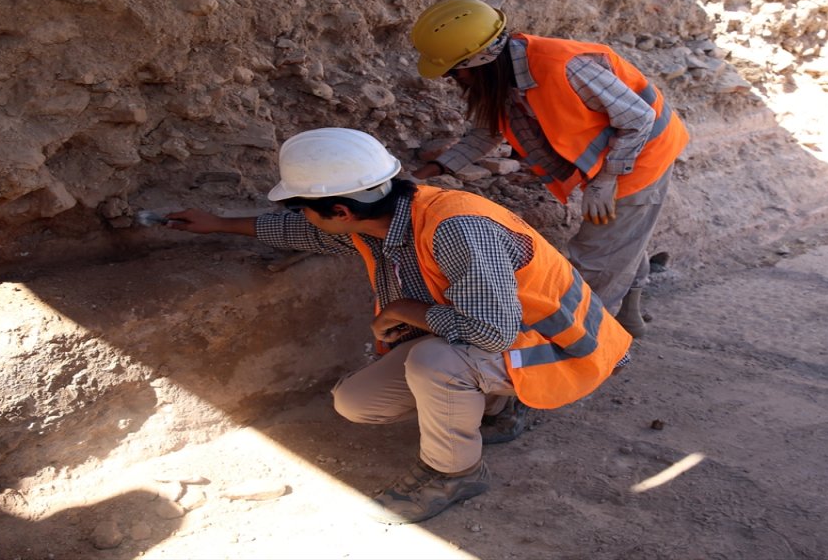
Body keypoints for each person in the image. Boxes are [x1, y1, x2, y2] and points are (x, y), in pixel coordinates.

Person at [166, 127, 632, 525]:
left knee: (435, 362)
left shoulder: (454, 228)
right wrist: (217, 223)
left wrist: (403, 311)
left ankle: (455, 475)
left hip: (562, 347)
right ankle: (500, 403)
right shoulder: (381, 220)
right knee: (357, 402)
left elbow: (492, 334)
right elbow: (303, 231)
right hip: (505, 339)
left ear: (341, 211)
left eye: (301, 205)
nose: (299, 216)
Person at [409, 0, 690, 341]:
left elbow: (638, 118)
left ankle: (589, 346)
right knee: (621, 240)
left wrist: (607, 178)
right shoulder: (504, 80)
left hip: (643, 157)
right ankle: (629, 318)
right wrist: (425, 174)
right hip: (611, 163)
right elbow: (485, 134)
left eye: (454, 70)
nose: (451, 78)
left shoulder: (563, 66)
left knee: (594, 259)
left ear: (480, 59)